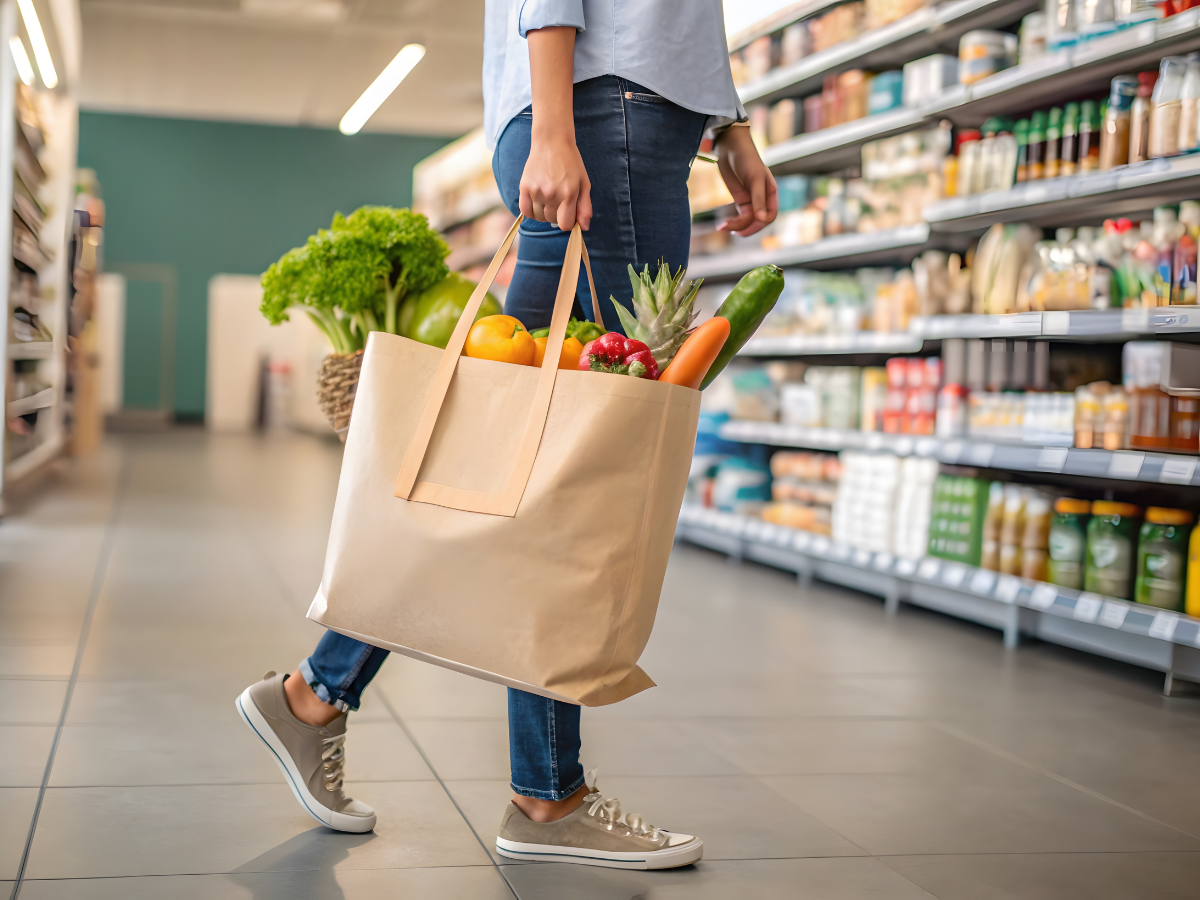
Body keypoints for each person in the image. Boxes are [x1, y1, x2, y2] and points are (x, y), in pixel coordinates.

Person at [237, 0, 777, 870]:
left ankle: (317, 696)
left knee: (512, 452)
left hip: (625, 112)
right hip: (606, 112)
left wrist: (728, 122)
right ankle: (544, 794)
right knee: (575, 462)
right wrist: (557, 130)